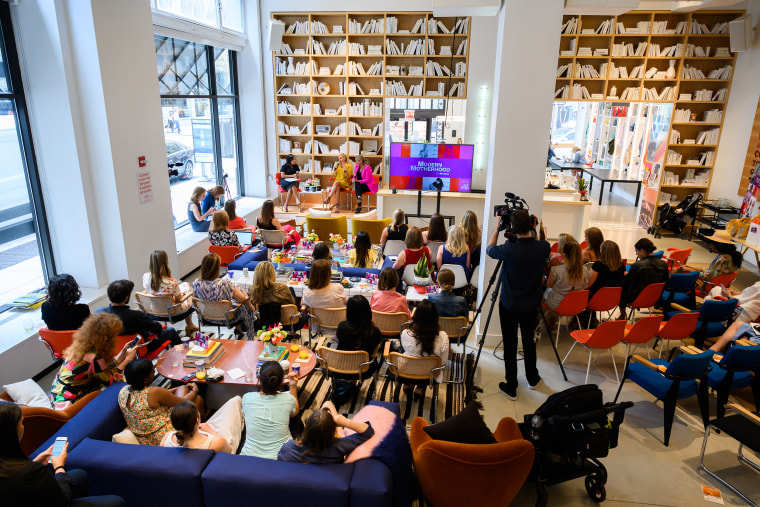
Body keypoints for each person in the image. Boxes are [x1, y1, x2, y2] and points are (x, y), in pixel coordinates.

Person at [0, 403, 126, 507]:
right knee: (116, 501)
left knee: (79, 475)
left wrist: (36, 462)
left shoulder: (12, 467)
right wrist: (59, 468)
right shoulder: (31, 472)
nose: (23, 426)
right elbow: (62, 501)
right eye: (21, 423)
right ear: (11, 432)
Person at [486, 210, 550, 400]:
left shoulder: (509, 250)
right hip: (531, 305)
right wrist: (535, 229)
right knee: (529, 342)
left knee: (510, 344)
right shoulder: (543, 248)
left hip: (509, 305)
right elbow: (539, 241)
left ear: (512, 228)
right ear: (530, 226)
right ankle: (532, 378)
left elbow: (490, 249)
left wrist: (497, 229)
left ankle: (511, 386)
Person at [50, 313, 138, 405]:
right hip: (69, 401)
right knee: (121, 391)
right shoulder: (95, 358)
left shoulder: (83, 347)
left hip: (58, 392)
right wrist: (127, 360)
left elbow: (104, 369)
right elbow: (113, 382)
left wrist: (123, 353)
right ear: (106, 339)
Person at [118, 359, 202, 446]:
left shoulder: (123, 391)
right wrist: (195, 389)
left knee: (182, 388)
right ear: (145, 379)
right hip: (164, 436)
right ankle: (199, 431)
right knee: (197, 400)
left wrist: (179, 388)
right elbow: (183, 402)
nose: (154, 370)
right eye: (152, 370)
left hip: (144, 439)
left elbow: (161, 396)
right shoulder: (154, 393)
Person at [278, 400, 374, 464]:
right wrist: (345, 422)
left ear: (307, 427)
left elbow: (281, 461)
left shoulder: (289, 448)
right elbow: (368, 431)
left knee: (327, 405)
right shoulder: (340, 446)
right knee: (328, 404)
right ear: (333, 431)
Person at [96, 279, 182, 350]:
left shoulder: (99, 313)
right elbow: (157, 328)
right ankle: (183, 357)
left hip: (114, 352)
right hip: (140, 348)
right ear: (126, 298)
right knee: (171, 331)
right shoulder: (136, 315)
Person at [241, 361, 299, 459]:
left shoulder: (246, 398)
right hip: (281, 458)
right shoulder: (288, 400)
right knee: (295, 419)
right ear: (281, 381)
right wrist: (293, 386)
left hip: (248, 458)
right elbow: (294, 412)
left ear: (259, 379)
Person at [193, 253, 257, 338]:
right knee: (244, 308)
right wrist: (250, 305)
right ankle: (250, 337)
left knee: (232, 302)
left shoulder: (196, 283)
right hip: (227, 318)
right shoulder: (224, 284)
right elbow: (243, 300)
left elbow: (195, 300)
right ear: (216, 268)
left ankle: (238, 330)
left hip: (206, 317)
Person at [142, 249, 197, 334]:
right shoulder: (171, 282)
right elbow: (179, 300)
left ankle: (190, 324)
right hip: (172, 311)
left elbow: (152, 291)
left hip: (154, 310)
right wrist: (183, 295)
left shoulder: (145, 277)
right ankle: (189, 324)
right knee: (188, 290)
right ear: (165, 262)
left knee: (184, 285)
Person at [248, 261, 309, 332]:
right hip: (289, 322)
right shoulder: (282, 287)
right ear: (272, 274)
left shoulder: (253, 290)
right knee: (291, 290)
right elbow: (291, 303)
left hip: (264, 322)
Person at [400, 300, 449, 386]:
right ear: (436, 318)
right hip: (430, 376)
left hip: (407, 373)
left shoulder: (405, 334)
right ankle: (420, 389)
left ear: (416, 317)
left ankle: (408, 384)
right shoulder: (443, 337)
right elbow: (443, 362)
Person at [619, 238, 669, 319]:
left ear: (642, 250)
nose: (636, 254)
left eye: (637, 251)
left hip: (637, 298)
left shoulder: (637, 266)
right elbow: (665, 283)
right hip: (654, 298)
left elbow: (628, 288)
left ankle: (622, 314)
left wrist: (626, 276)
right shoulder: (663, 264)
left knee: (623, 288)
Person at [161, 401, 230, 453]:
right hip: (224, 443)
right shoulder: (216, 443)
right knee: (235, 401)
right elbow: (229, 450)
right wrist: (211, 431)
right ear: (197, 421)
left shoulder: (167, 438)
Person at [544, 242, 588, 313]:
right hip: (577, 304)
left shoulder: (556, 270)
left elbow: (549, 285)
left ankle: (541, 316)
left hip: (557, 304)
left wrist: (544, 280)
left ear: (564, 254)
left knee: (545, 291)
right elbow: (585, 286)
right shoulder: (585, 270)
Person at [336, 295, 383, 360]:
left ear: (349, 312)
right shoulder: (374, 332)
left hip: (342, 366)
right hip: (364, 367)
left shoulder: (342, 328)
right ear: (368, 311)